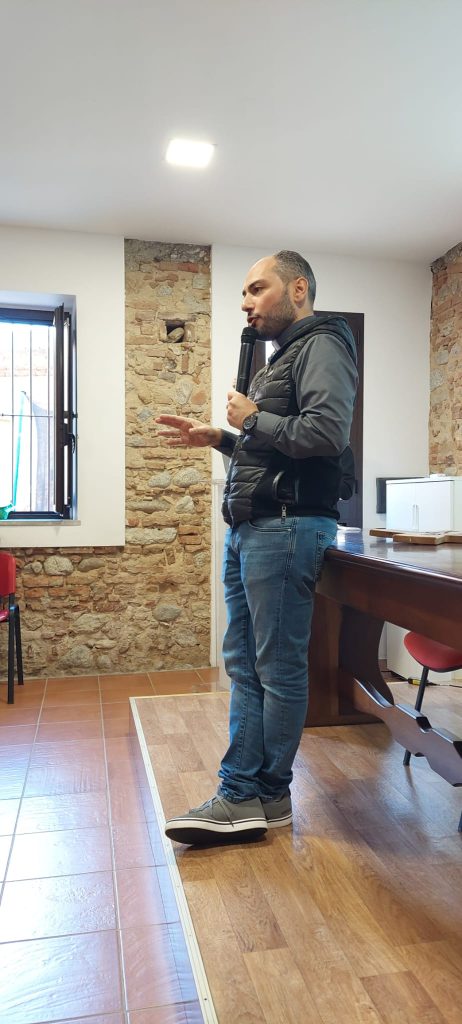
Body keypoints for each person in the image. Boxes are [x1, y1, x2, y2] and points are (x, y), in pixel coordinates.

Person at [156, 250, 358, 845]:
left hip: (287, 528)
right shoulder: (281, 358)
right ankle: (257, 797)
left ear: (298, 289)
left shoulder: (324, 343)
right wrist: (222, 437)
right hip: (255, 526)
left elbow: (326, 433)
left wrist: (249, 421)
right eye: (243, 293)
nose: (246, 302)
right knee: (245, 665)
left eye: (257, 288)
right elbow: (276, 447)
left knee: (277, 667)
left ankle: (253, 793)